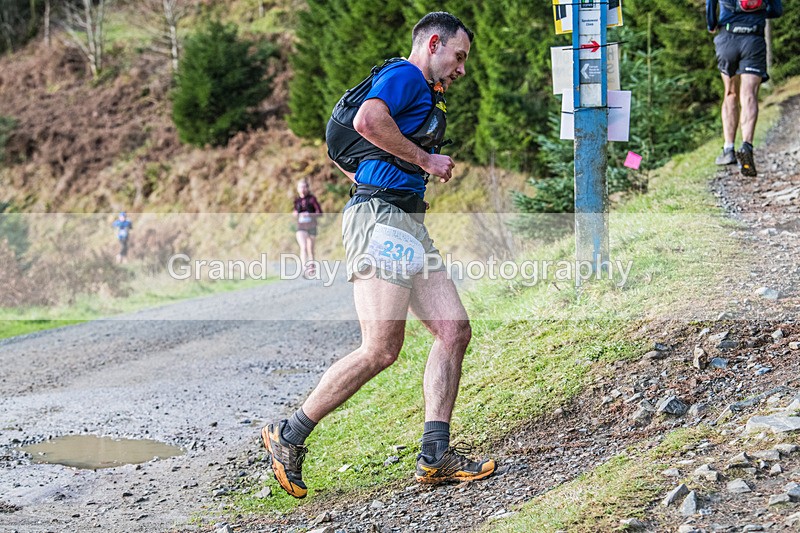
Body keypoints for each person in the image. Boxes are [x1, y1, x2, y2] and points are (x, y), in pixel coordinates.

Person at [262, 12, 495, 499]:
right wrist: (425, 160)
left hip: (407, 222)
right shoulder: (406, 74)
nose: (462, 68)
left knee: (453, 330)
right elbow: (367, 120)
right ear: (434, 43)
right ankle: (289, 435)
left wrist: (395, 169)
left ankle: (435, 455)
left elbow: (360, 146)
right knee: (380, 349)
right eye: (459, 56)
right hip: (382, 222)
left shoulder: (424, 92)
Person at [708, 0, 783, 176]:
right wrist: (757, 13)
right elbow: (776, 10)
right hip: (753, 39)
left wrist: (712, 24)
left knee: (730, 93)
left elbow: (710, 5)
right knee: (749, 94)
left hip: (728, 38)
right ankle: (746, 145)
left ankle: (728, 149)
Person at [293, 179, 323, 277]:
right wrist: (295, 214)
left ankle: (311, 266)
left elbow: (320, 213)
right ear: (297, 189)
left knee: (310, 248)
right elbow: (295, 212)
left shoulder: (312, 199)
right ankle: (304, 268)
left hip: (312, 226)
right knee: (303, 247)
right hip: (301, 227)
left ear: (307, 188)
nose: (302, 189)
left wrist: (309, 214)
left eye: (304, 187)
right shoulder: (296, 201)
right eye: (300, 187)